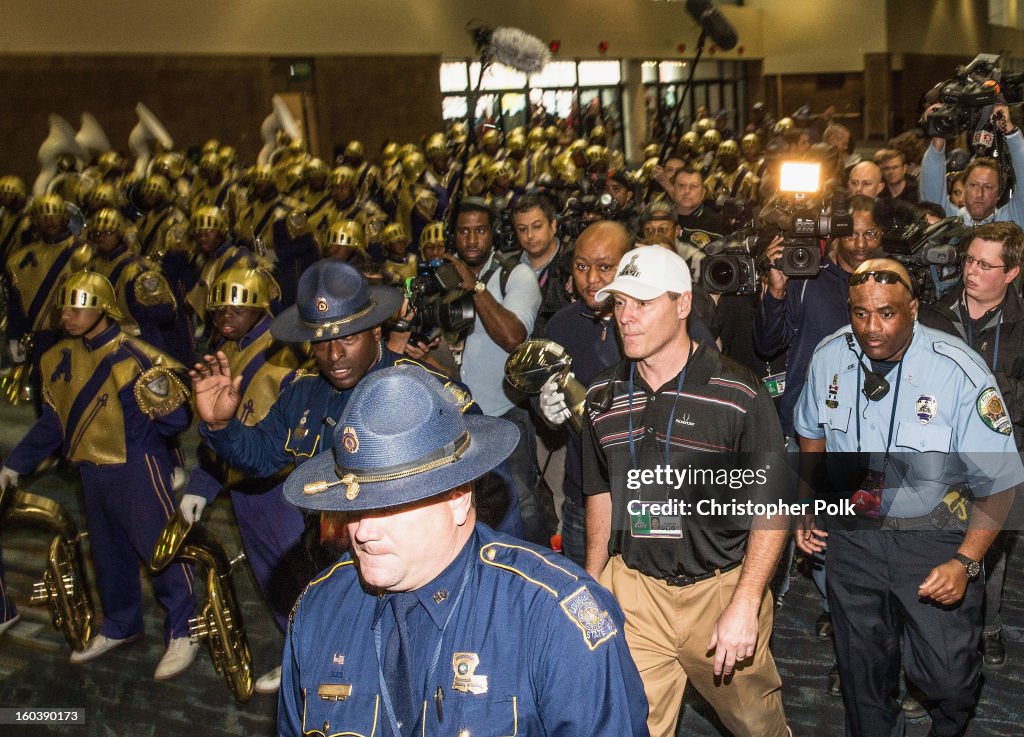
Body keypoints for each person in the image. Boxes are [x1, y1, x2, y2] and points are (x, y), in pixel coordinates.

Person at [278, 365, 650, 737]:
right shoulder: (319, 609)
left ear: (458, 499)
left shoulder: (551, 618)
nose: (363, 531)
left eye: (390, 506)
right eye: (355, 507)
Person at [189, 259, 479, 693]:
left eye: (348, 337)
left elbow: (486, 488)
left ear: (376, 330)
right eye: (321, 343)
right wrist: (221, 427)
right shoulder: (304, 393)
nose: (334, 355)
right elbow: (263, 458)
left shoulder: (421, 389)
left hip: (417, 577)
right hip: (335, 568)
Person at [794, 258, 1023, 737]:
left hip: (934, 539)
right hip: (853, 537)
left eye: (886, 314)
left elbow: (1001, 481)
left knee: (948, 678)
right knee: (862, 675)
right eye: (859, 313)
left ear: (914, 309)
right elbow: (811, 431)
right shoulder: (830, 355)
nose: (871, 328)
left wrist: (966, 561)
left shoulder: (958, 370)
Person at [582, 246, 790, 737]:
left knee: (756, 725)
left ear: (682, 304)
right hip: (636, 591)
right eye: (619, 305)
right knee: (631, 725)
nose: (626, 319)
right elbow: (599, 494)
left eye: (642, 303)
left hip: (719, 590)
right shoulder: (602, 398)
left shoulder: (738, 393)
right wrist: (593, 579)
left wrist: (745, 602)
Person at [0, 271, 198, 679]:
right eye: (64, 307)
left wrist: (158, 427)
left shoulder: (138, 355)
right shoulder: (58, 358)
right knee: (108, 556)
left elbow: (176, 418)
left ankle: (185, 628)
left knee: (160, 550)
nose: (67, 315)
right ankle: (120, 624)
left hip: (136, 467)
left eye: (78, 307)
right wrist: (13, 464)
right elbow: (52, 425)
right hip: (90, 471)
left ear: (103, 309)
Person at [920, 222, 1024, 668]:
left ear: (1012, 273)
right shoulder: (934, 315)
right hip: (937, 456)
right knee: (938, 546)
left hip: (998, 459)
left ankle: (989, 625)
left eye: (986, 264)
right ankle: (937, 642)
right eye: (969, 260)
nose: (972, 271)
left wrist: (993, 387)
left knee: (988, 548)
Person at [444, 198, 546, 543]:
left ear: (495, 234)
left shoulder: (515, 275)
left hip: (504, 411)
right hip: (455, 417)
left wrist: (474, 286)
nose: (472, 240)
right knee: (465, 508)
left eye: (480, 231)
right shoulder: (443, 280)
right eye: (463, 231)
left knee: (523, 504)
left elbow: (512, 337)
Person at [537, 221, 631, 565]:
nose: (592, 279)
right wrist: (545, 409)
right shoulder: (562, 324)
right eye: (582, 267)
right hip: (583, 497)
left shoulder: (652, 320)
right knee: (586, 606)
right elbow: (543, 388)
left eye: (605, 267)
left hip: (647, 497)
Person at [920, 102, 1024, 225]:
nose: (979, 194)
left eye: (988, 187)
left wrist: (1009, 130)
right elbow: (932, 193)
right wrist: (938, 136)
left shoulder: (1013, 218)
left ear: (999, 194)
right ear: (964, 188)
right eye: (973, 185)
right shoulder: (948, 220)